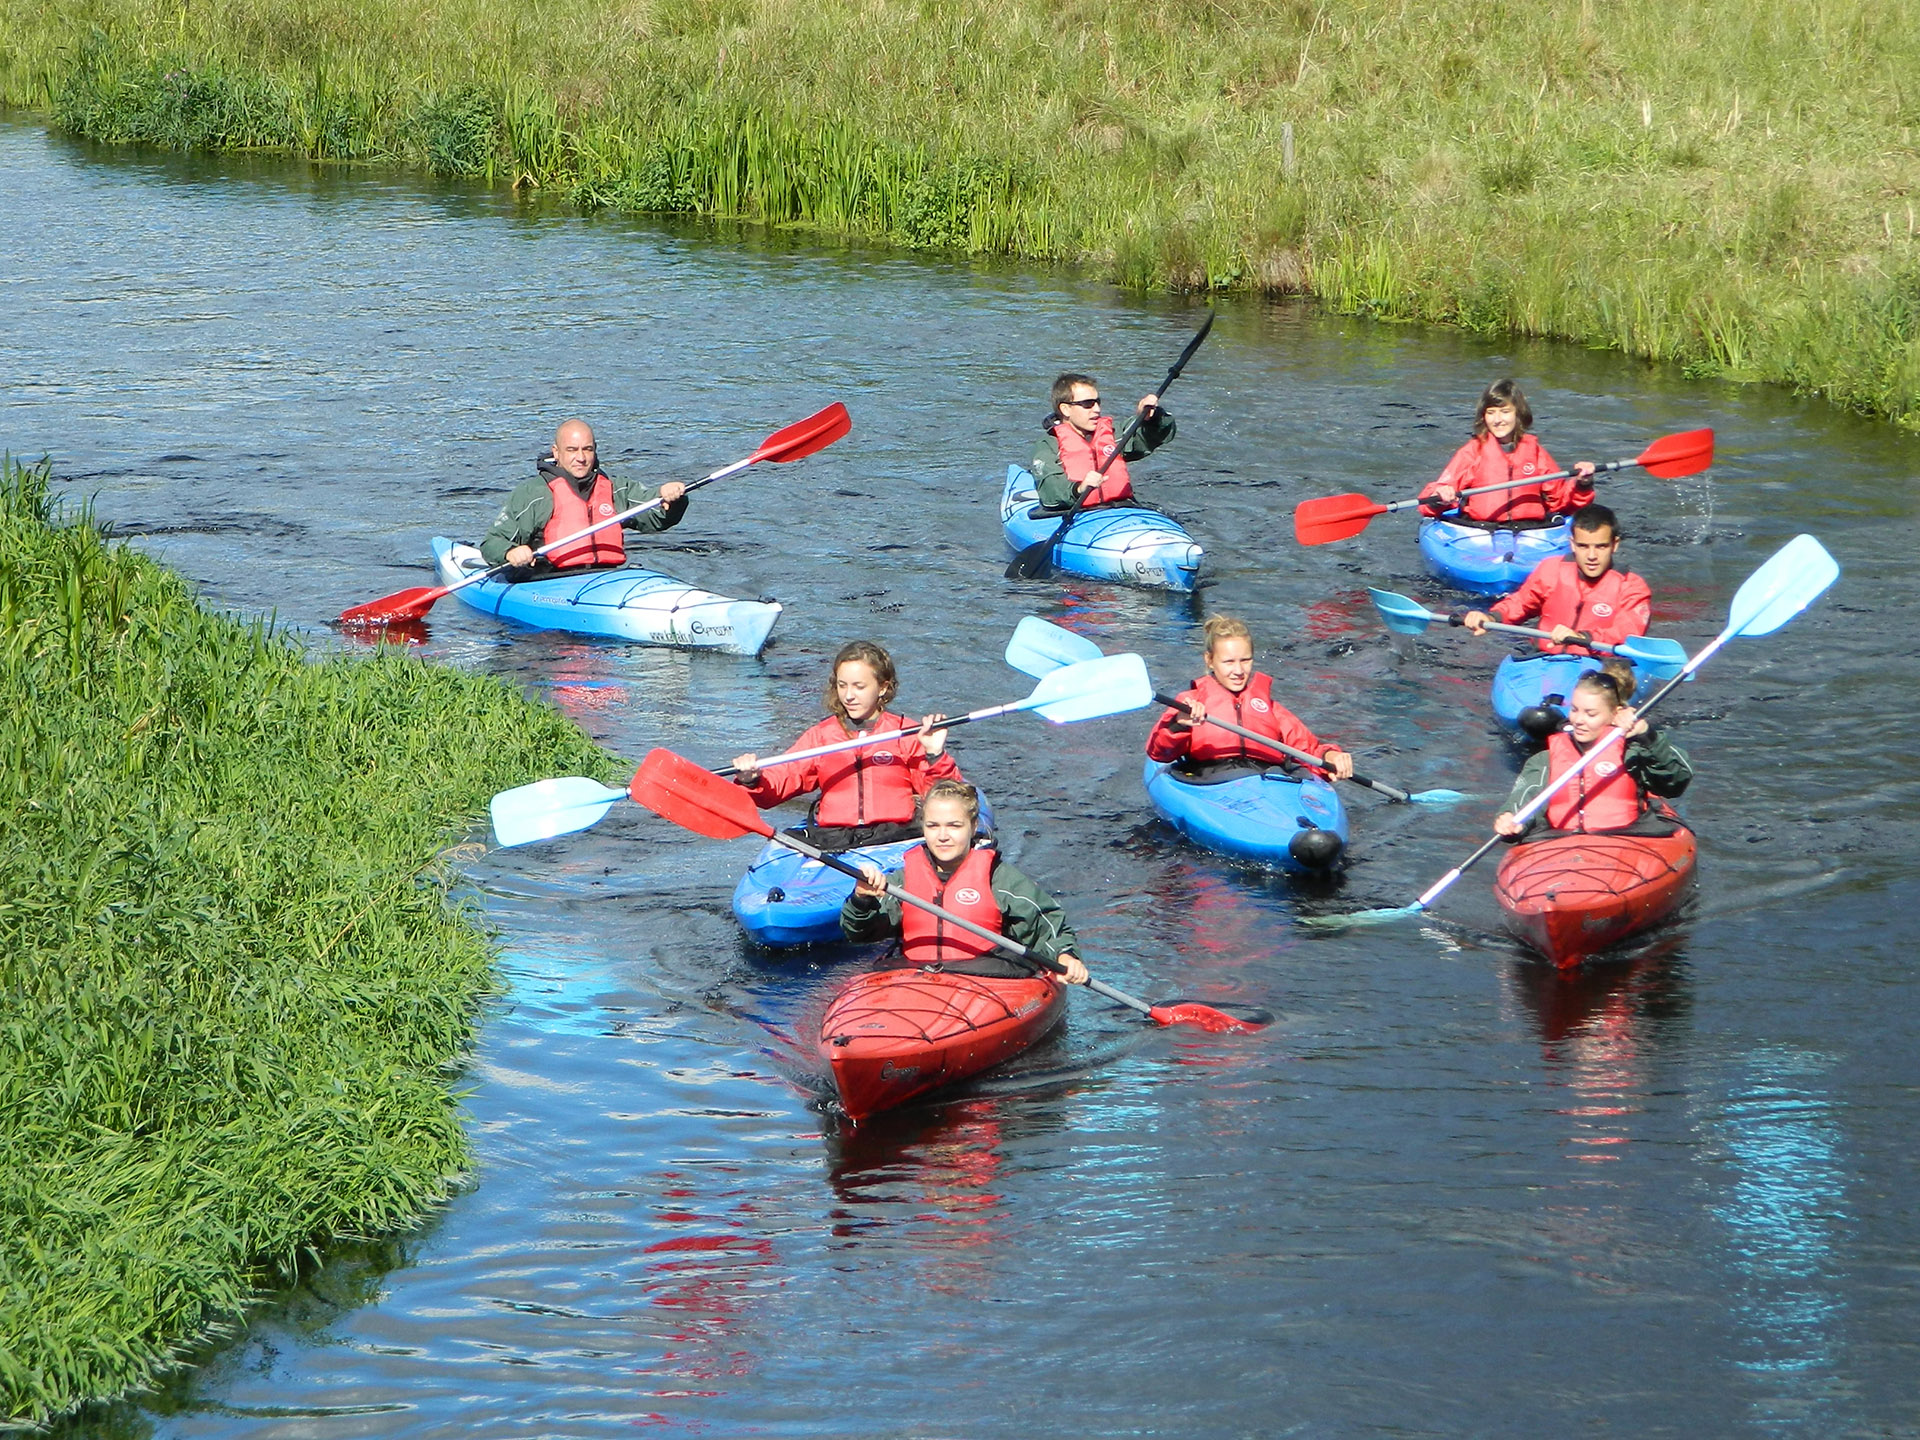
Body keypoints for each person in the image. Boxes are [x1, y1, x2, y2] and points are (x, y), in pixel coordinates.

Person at [840, 779, 1090, 985]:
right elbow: (859, 934)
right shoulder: (902, 881)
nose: (943, 836)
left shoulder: (1001, 879)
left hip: (986, 974)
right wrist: (862, 899)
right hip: (917, 977)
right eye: (933, 826)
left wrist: (1065, 956)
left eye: (954, 826)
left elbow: (1048, 925)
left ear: (973, 826)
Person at [732, 640, 962, 849]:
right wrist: (752, 780)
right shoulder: (822, 736)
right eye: (842, 686)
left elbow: (944, 798)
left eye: (859, 687)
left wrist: (934, 754)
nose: (848, 696)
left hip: (895, 837)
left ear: (882, 688)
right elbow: (782, 779)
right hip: (834, 839)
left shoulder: (907, 733)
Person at [1146, 615, 1355, 781]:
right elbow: (1158, 753)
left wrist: (1331, 757)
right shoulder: (1190, 703)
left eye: (1245, 660)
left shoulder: (1270, 708)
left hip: (1266, 781)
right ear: (1210, 661)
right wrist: (1178, 725)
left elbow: (1310, 750)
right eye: (1228, 662)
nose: (1238, 670)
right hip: (1211, 781)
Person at [1494, 664, 1692, 839]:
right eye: (1574, 710)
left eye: (1590, 714)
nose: (1578, 720)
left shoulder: (1633, 753)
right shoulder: (1545, 760)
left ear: (1615, 714)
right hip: (1562, 845)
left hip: (1626, 839)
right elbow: (1522, 799)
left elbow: (1676, 783)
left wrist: (1647, 735)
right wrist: (1512, 819)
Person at [479, 419, 688, 573]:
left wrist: (673, 499)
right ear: (556, 452)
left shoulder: (616, 489)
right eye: (572, 450)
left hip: (606, 577)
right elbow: (492, 543)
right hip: (552, 580)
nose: (581, 458)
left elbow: (658, 517)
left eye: (587, 450)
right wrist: (510, 552)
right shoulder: (534, 493)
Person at [1463, 502, 1652, 654]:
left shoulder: (1632, 587)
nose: (1592, 556)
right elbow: (1519, 604)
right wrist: (1491, 617)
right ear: (1572, 544)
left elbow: (1627, 634)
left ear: (1615, 545)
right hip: (1545, 659)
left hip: (1603, 669)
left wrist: (1582, 637)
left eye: (1601, 546)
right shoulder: (1551, 570)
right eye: (1584, 546)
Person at [1418, 379, 1597, 524]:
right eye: (1491, 412)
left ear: (1518, 414)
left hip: (1531, 531)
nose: (1497, 420)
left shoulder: (1535, 452)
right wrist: (1440, 496)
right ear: (1483, 416)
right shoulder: (1472, 451)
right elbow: (1428, 502)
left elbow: (1560, 501)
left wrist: (1582, 484)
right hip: (1480, 530)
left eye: (1505, 412)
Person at [1030, 372, 1176, 511]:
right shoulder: (1047, 446)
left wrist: (1151, 417)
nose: (1097, 409)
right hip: (1075, 512)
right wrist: (1079, 488)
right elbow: (1050, 487)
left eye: (1097, 402)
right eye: (1088, 404)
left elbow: (1152, 435)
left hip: (1120, 509)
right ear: (1065, 409)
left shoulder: (1114, 434)